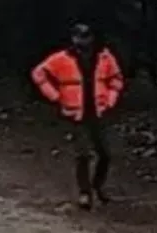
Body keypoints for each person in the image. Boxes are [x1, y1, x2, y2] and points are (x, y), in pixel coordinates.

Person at [30, 23, 125, 210]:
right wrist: (55, 96)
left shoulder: (104, 57)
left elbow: (116, 78)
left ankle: (97, 185)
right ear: (72, 38)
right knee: (82, 154)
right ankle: (85, 192)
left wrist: (111, 99)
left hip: (98, 111)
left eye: (86, 36)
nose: (82, 40)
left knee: (105, 154)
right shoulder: (62, 58)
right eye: (78, 36)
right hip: (75, 113)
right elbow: (39, 73)